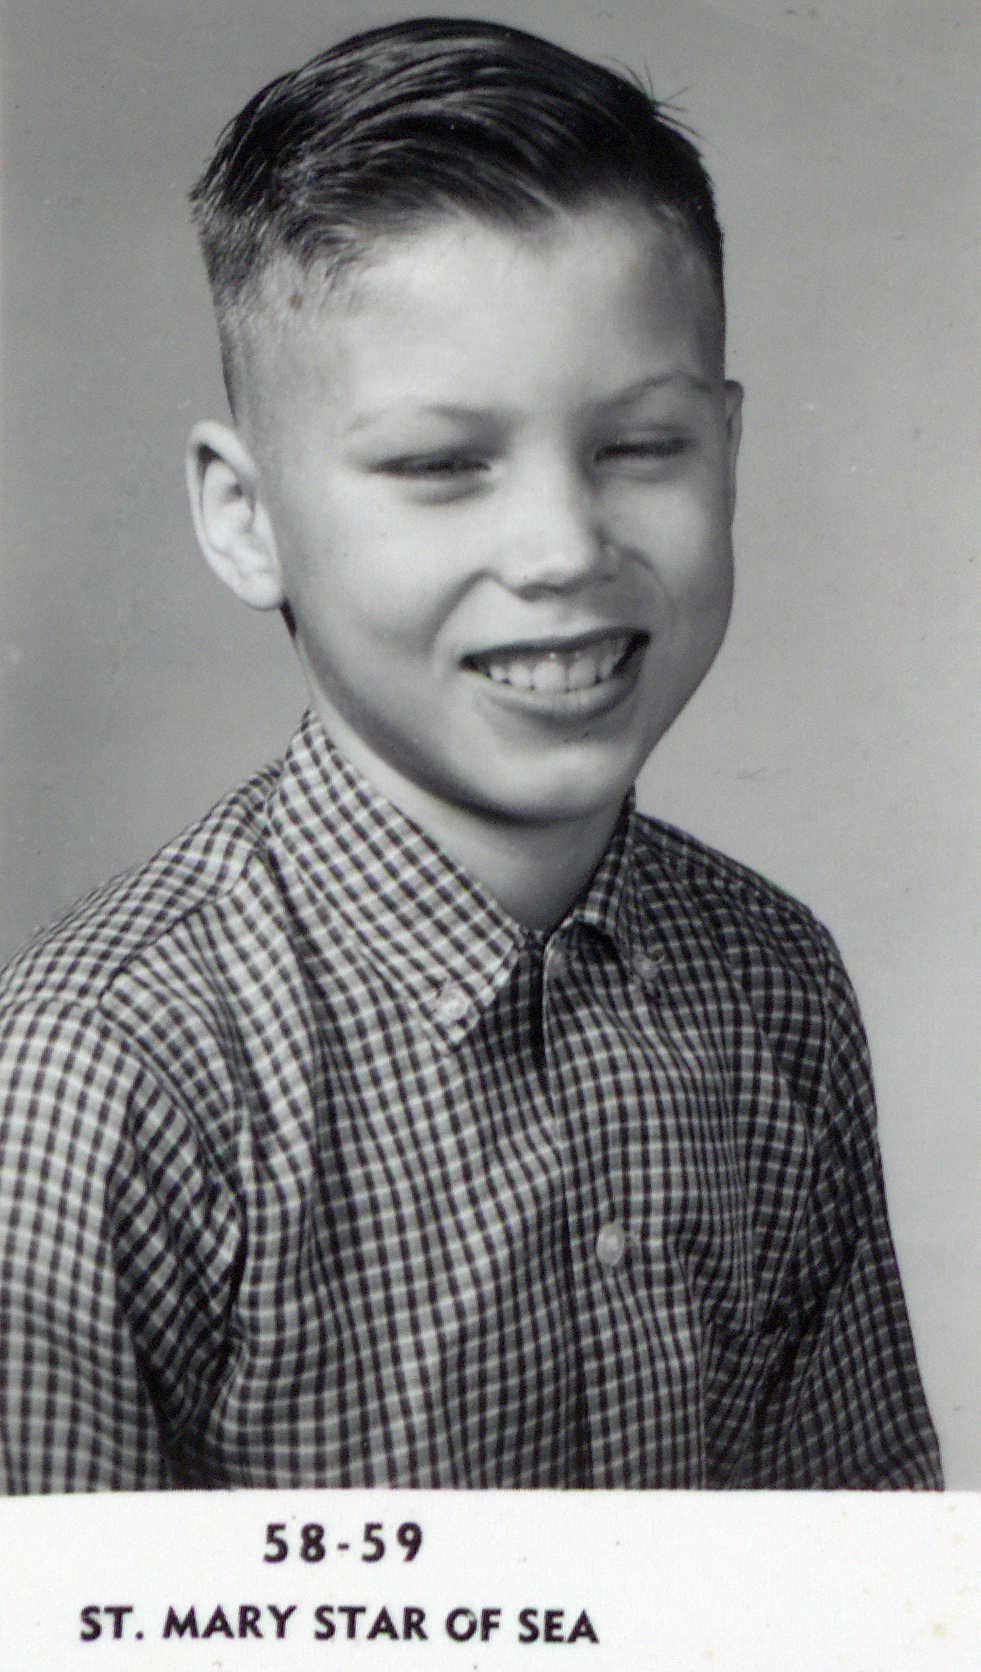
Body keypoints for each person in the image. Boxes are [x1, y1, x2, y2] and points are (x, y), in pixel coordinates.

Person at [0, 16, 942, 1492]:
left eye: (640, 446)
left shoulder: (775, 984)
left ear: (728, 452)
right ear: (246, 518)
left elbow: (852, 1571)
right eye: (442, 465)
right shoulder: (108, 1071)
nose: (563, 547)